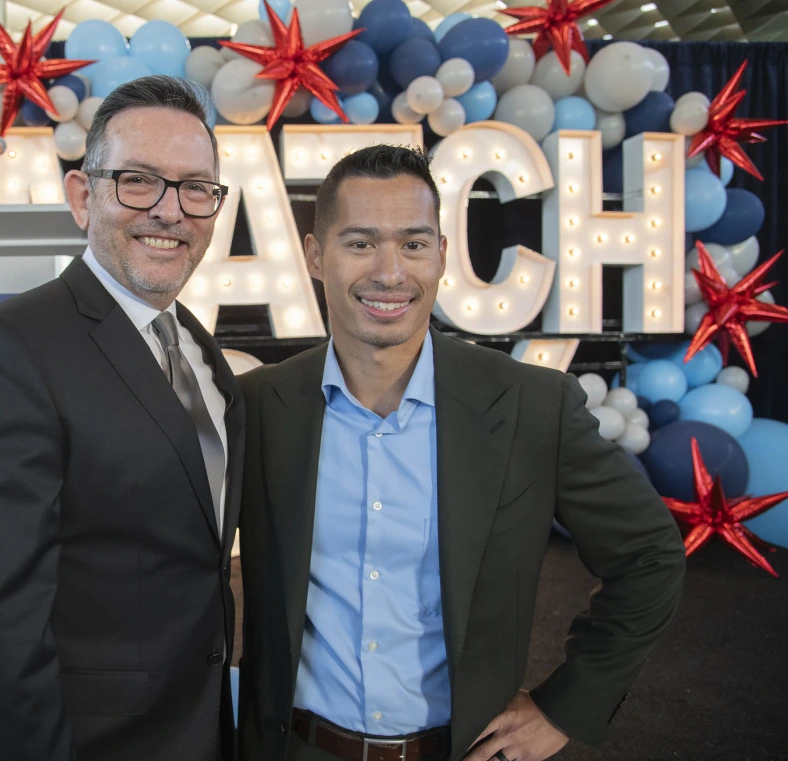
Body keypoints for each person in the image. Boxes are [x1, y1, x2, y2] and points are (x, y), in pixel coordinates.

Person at [236, 144, 686, 761]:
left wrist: (565, 705)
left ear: (443, 256)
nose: (390, 272)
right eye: (360, 243)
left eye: (414, 244)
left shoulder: (533, 403)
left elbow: (649, 556)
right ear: (316, 256)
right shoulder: (258, 406)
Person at [0, 75, 243, 761]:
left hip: (202, 731)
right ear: (82, 196)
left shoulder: (198, 347)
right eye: (138, 180)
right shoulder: (8, 347)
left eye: (196, 187)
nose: (171, 210)